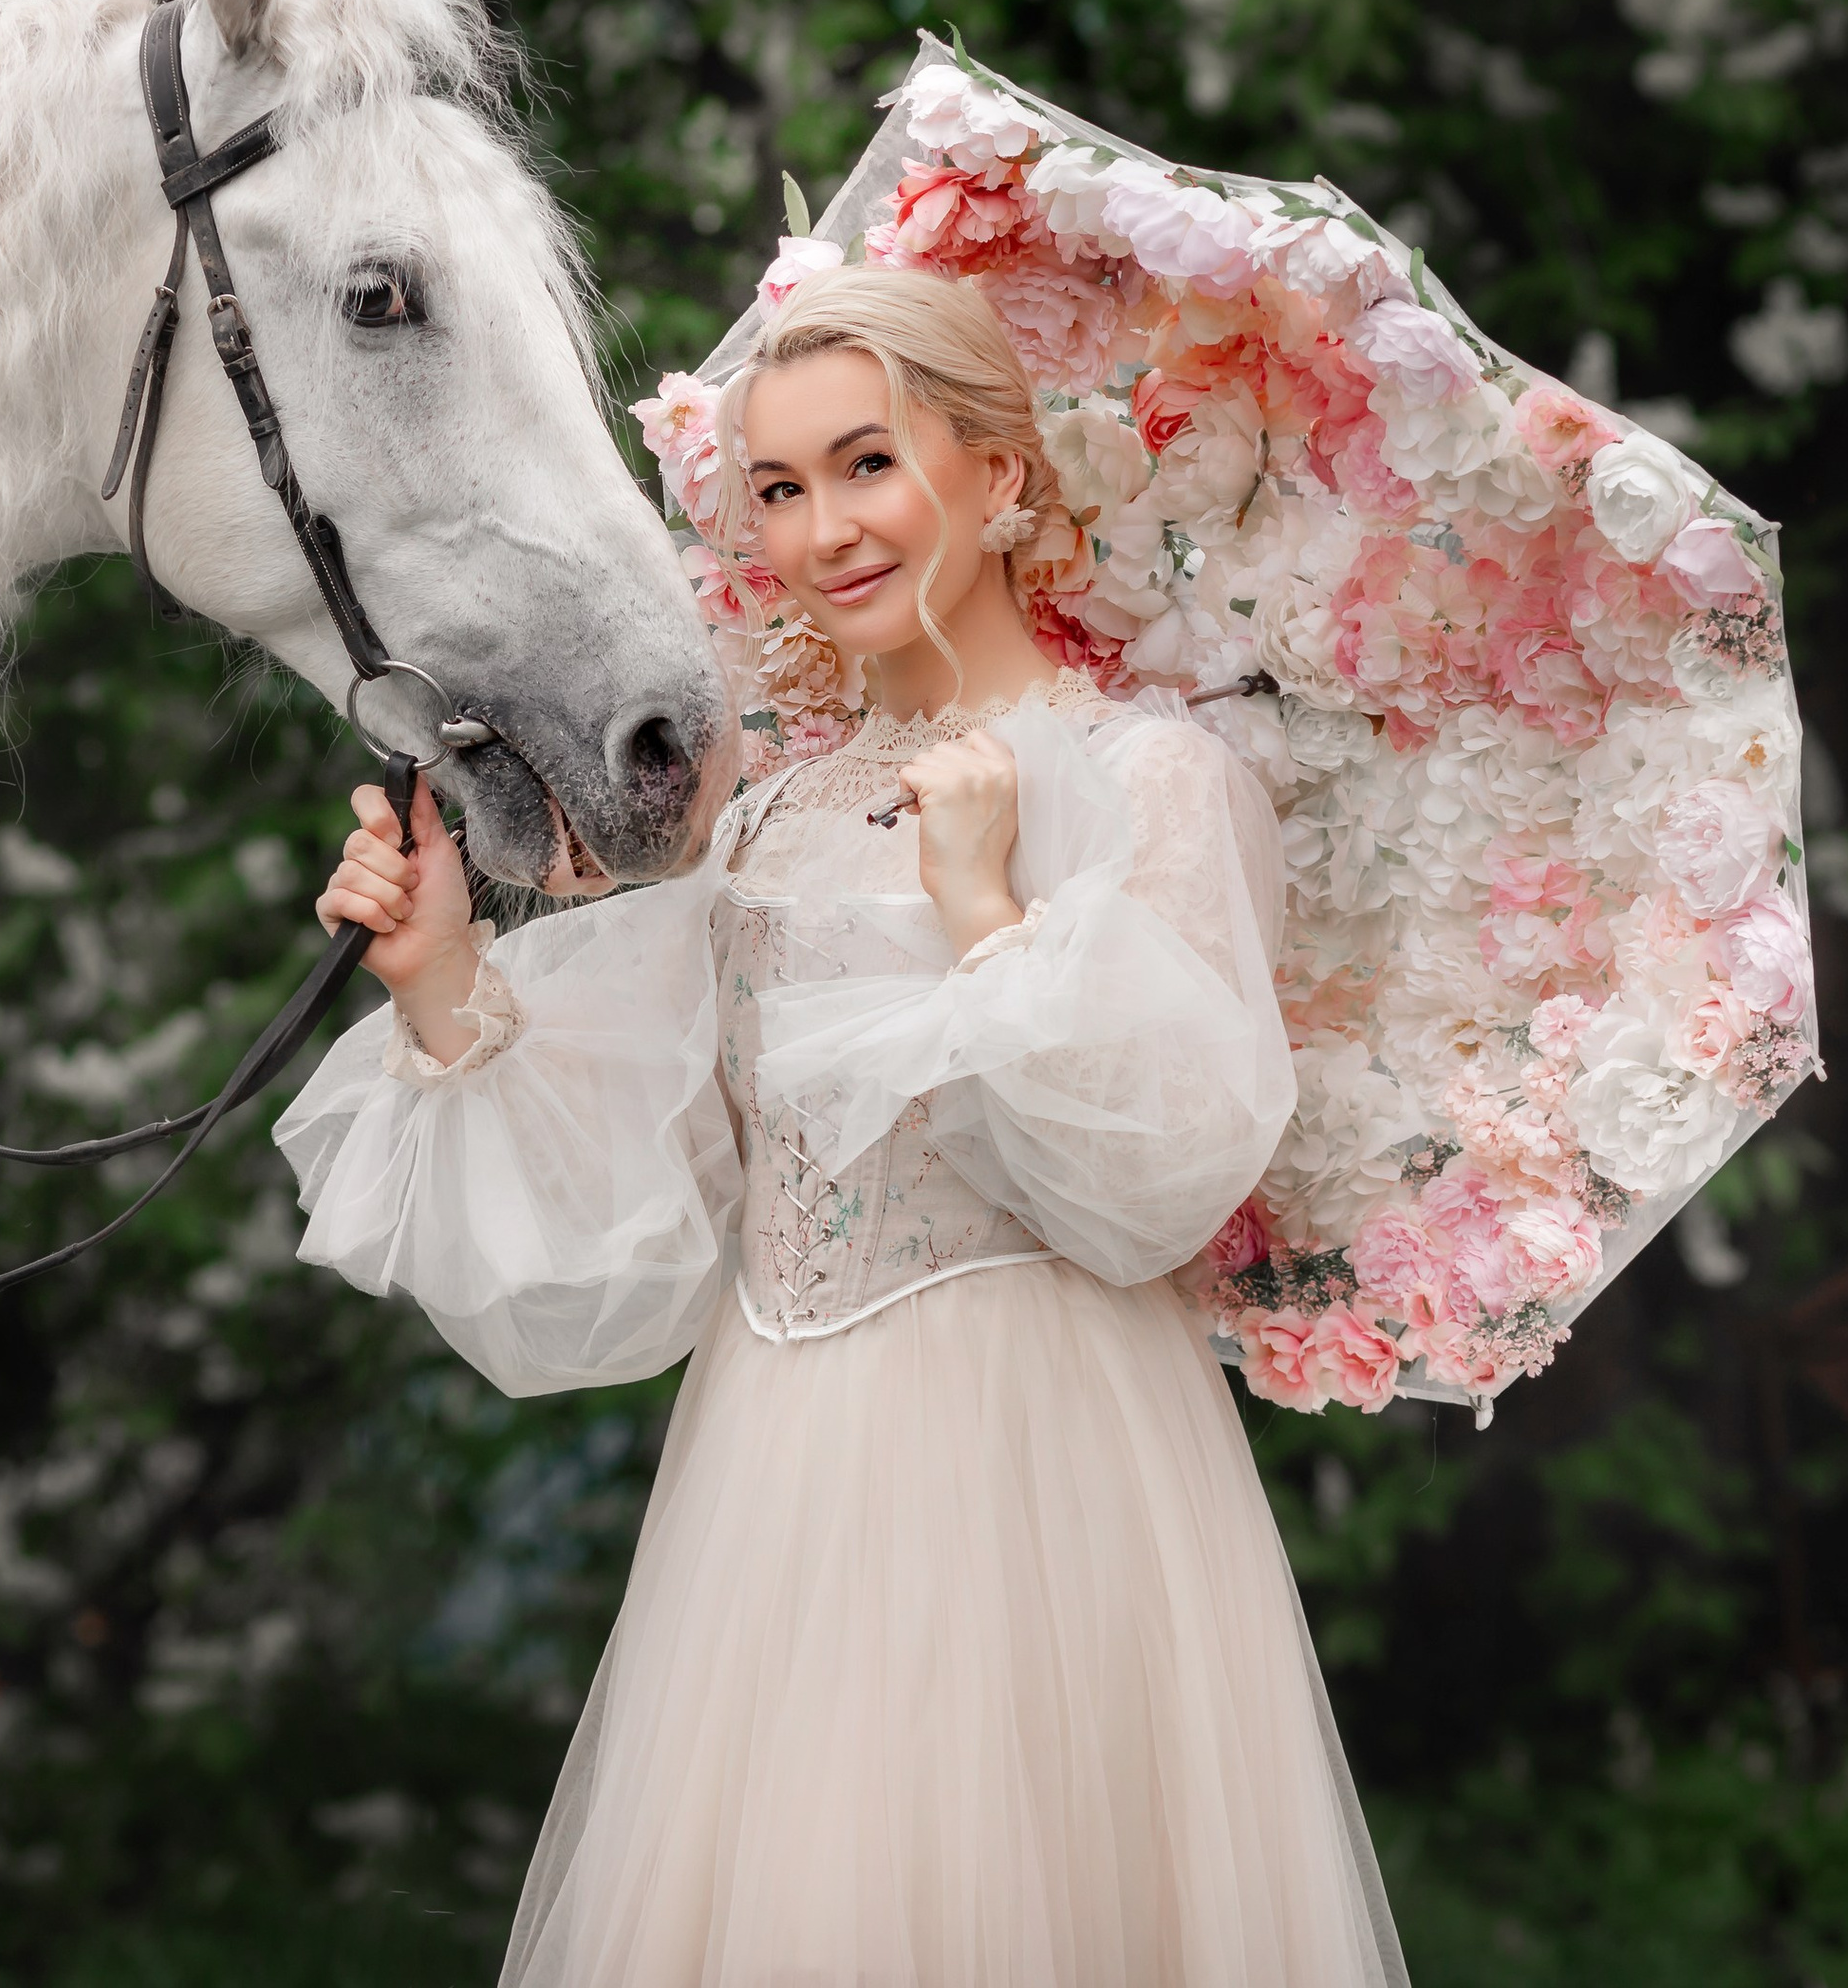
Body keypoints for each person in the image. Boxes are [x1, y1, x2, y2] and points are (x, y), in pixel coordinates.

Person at [274, 268, 1408, 1987]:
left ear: (1001, 479)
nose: (824, 530)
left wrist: (987, 914)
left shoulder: (1149, 779)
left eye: (869, 464)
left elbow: (1154, 1185)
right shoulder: (772, 821)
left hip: (1050, 1463)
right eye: (782, 489)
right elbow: (651, 1209)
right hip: (776, 1481)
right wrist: (442, 975)